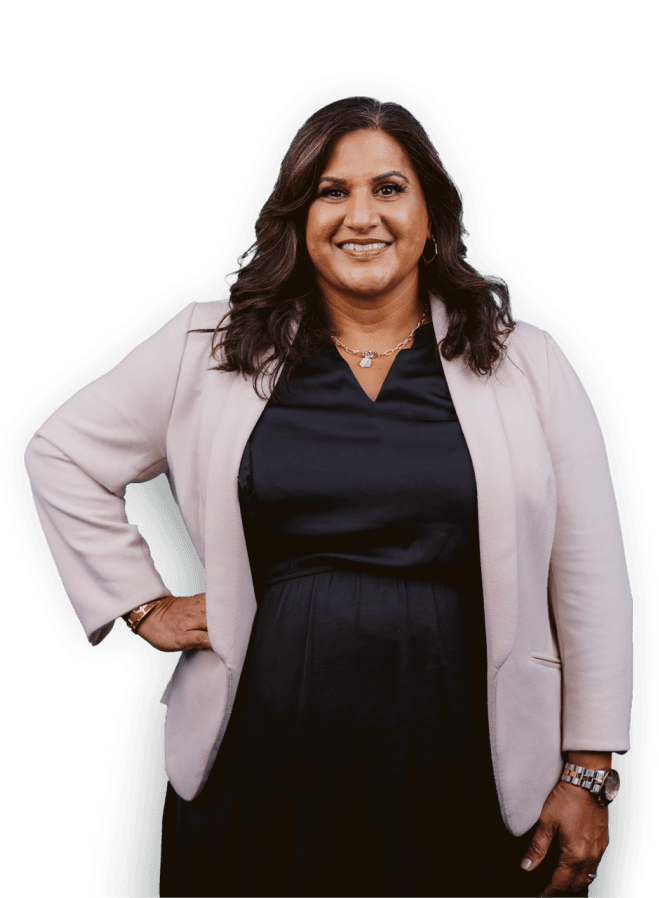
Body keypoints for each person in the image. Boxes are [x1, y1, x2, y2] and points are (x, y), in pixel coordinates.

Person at [23, 96, 632, 897]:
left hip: (472, 751)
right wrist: (139, 604)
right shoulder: (208, 344)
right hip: (256, 746)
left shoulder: (527, 361)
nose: (361, 216)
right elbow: (59, 451)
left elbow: (589, 572)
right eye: (330, 191)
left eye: (389, 189)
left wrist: (588, 768)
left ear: (432, 214)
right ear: (297, 217)